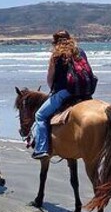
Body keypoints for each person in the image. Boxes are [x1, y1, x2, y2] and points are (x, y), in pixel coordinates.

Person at [31, 30, 97, 160]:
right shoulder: (80, 51)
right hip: (86, 92)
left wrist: (53, 90)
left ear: (55, 42)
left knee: (39, 116)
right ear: (70, 39)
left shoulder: (56, 55)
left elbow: (50, 79)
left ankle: (41, 149)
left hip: (66, 92)